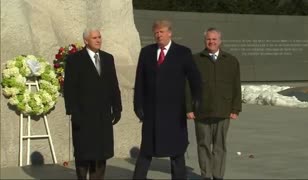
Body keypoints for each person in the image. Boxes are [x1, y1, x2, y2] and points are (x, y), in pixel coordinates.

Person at [133, 19, 202, 179]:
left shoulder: (182, 52)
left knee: (177, 153)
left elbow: (195, 79)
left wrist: (196, 101)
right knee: (146, 152)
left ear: (170, 33)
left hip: (174, 113)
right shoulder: (147, 52)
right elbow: (140, 81)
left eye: (161, 32)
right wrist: (138, 105)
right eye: (156, 32)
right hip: (151, 112)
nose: (158, 35)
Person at [64, 28, 122, 179]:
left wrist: (117, 108)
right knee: (84, 153)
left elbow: (113, 85)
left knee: (101, 154)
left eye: (99, 37)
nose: (98, 40)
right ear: (86, 41)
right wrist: (73, 111)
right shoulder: (75, 59)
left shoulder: (108, 58)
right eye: (94, 38)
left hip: (103, 115)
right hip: (83, 115)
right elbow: (69, 88)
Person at [186, 27, 242, 180]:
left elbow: (236, 85)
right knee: (203, 144)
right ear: (205, 41)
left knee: (220, 146)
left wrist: (236, 108)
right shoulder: (195, 60)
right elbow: (187, 85)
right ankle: (206, 175)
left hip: (223, 110)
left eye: (214, 39)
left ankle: (218, 176)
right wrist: (188, 108)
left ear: (220, 41)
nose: (211, 42)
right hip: (201, 110)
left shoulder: (231, 61)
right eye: (208, 39)